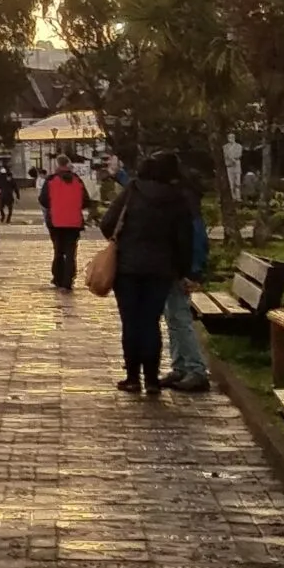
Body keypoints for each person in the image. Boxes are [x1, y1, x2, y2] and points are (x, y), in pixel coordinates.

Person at [100, 151, 197, 395]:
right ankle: (152, 380)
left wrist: (123, 241)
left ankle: (133, 378)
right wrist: (182, 270)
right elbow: (185, 240)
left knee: (131, 322)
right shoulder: (178, 199)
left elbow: (107, 222)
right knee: (151, 322)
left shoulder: (132, 191)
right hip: (160, 271)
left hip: (127, 269)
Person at [163, 189, 214, 393]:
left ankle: (196, 369)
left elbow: (198, 245)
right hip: (175, 270)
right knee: (173, 319)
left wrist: (193, 273)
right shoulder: (185, 211)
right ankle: (181, 366)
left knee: (180, 319)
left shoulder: (189, 217)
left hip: (182, 272)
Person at [39, 160, 88, 289]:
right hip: (74, 222)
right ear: (69, 166)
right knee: (71, 252)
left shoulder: (51, 180)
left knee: (58, 251)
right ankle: (68, 281)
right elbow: (86, 200)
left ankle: (57, 278)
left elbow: (43, 199)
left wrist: (55, 206)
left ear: (57, 166)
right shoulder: (77, 180)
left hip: (56, 221)